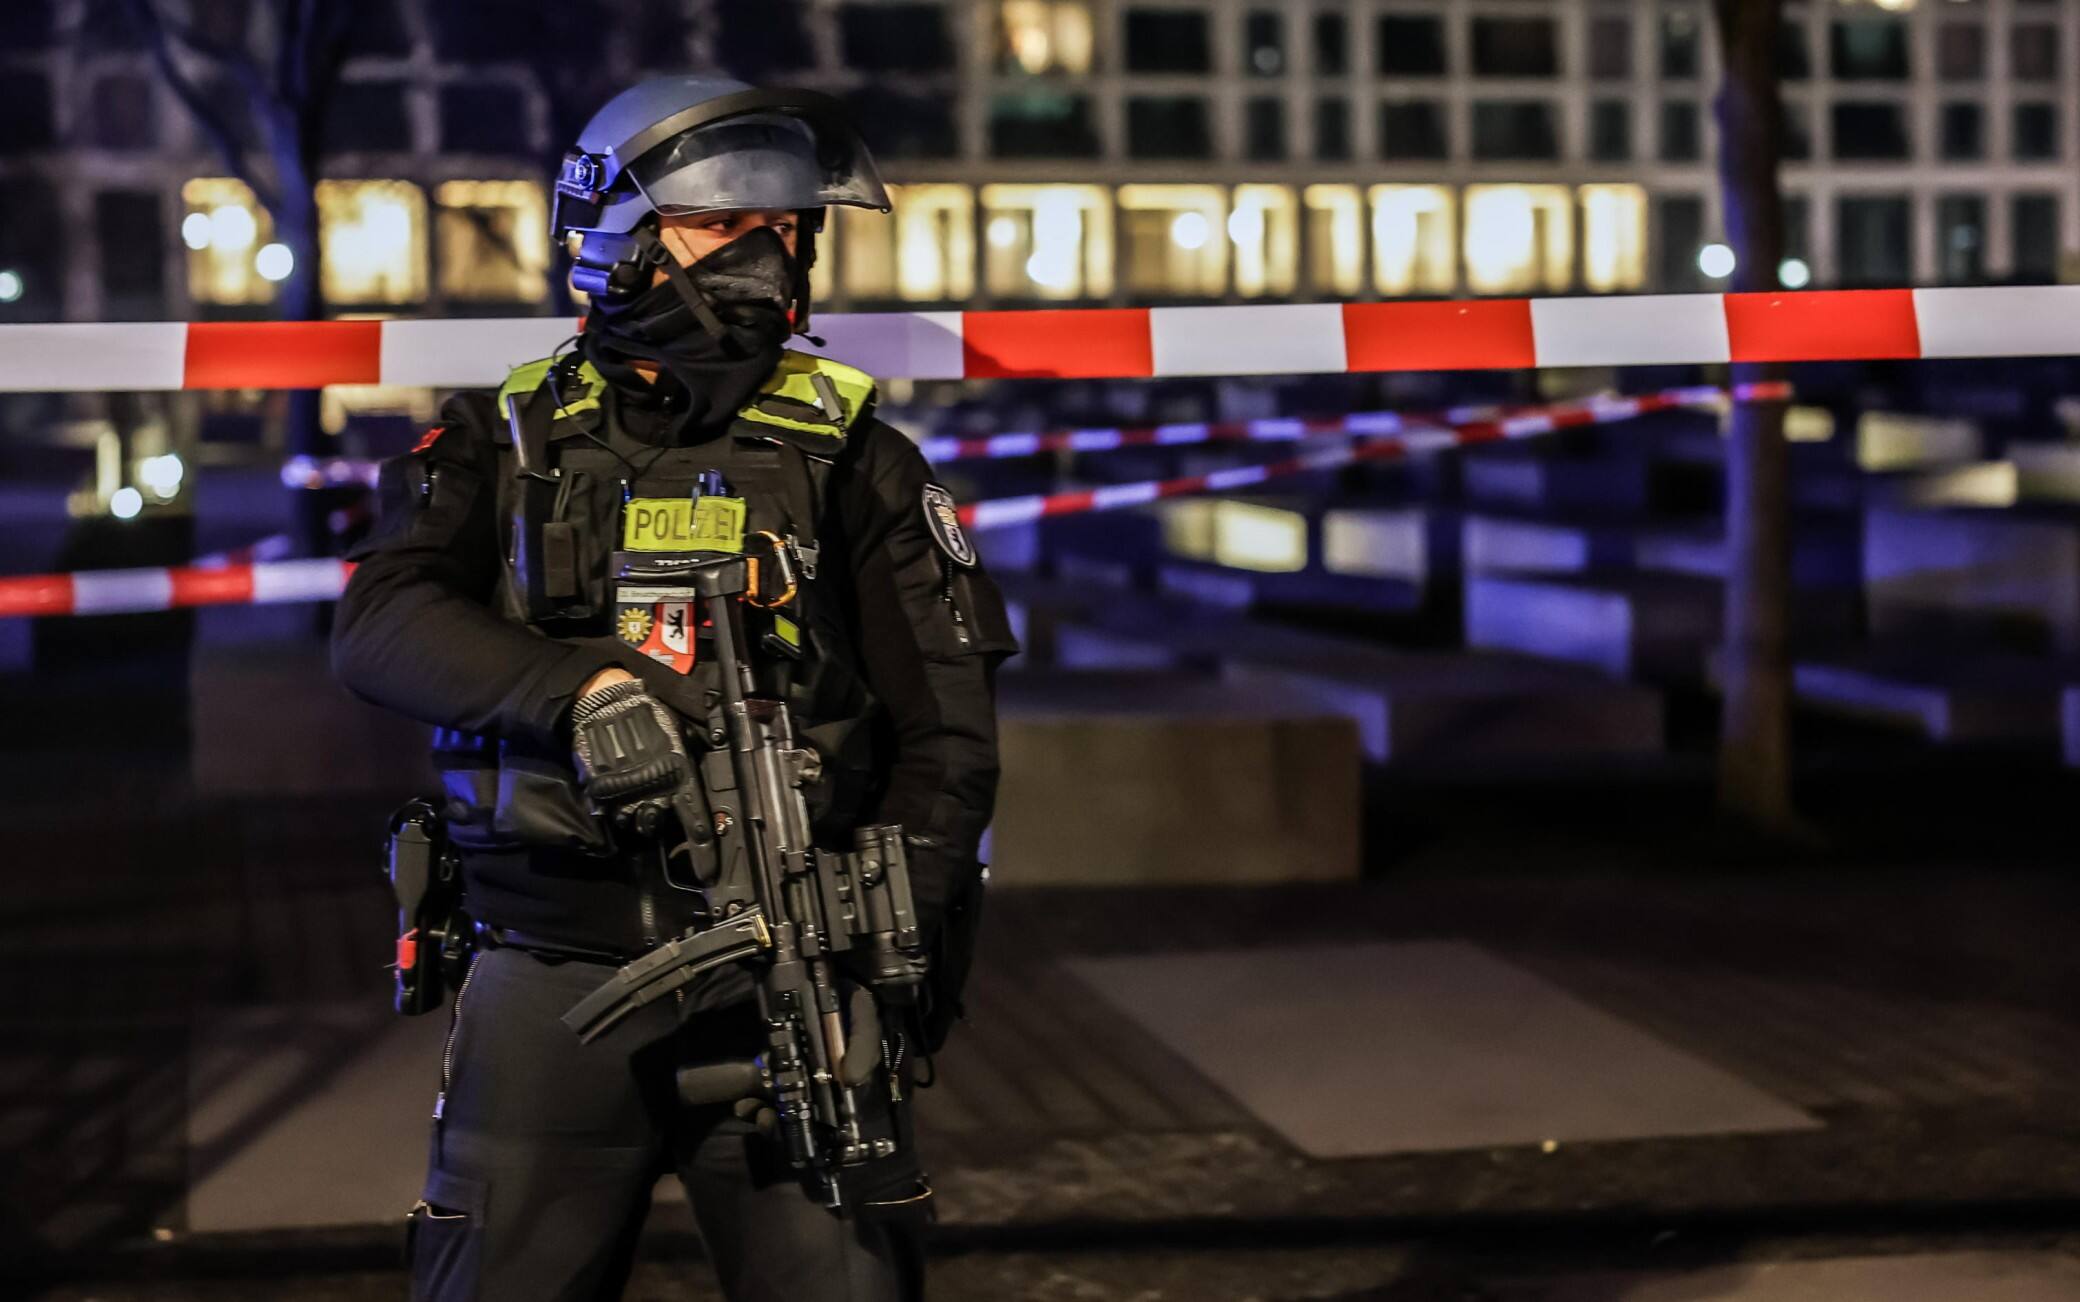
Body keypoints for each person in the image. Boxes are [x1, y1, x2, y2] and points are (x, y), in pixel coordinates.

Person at [332, 75, 1017, 1302]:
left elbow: (948, 740)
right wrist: (579, 691)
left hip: (793, 983)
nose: (769, 251)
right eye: (723, 224)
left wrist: (896, 959)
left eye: (788, 225)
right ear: (622, 237)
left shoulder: (854, 454)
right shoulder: (505, 439)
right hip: (552, 974)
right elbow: (377, 626)